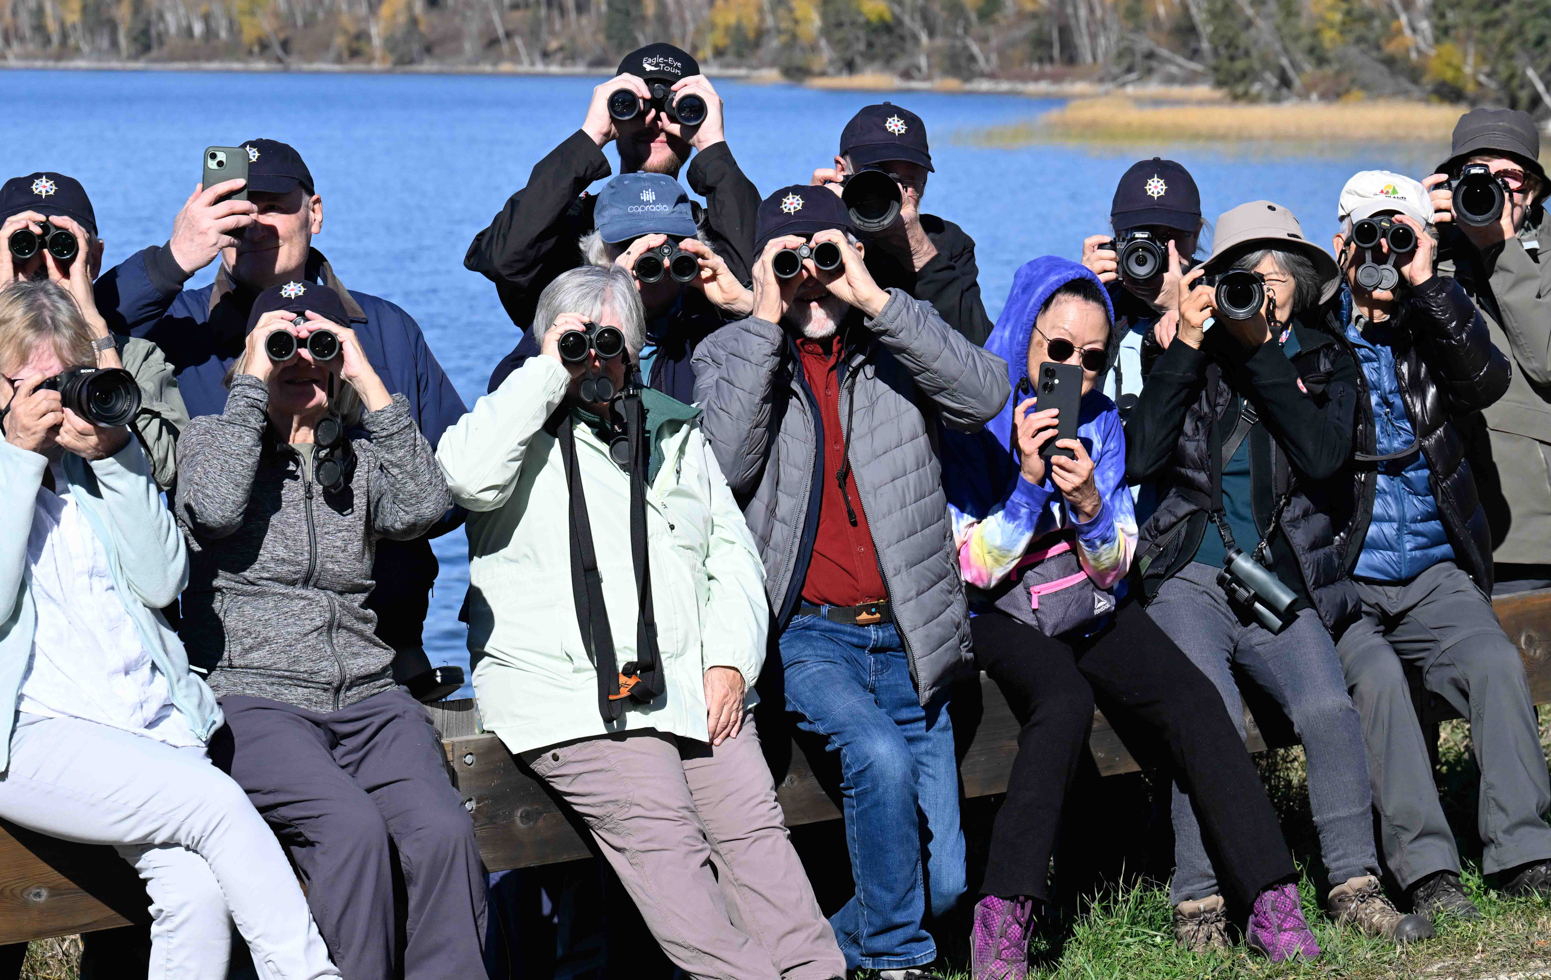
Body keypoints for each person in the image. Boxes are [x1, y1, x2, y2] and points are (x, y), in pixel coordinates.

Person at [436, 265, 844, 980]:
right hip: (574, 701)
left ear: (634, 348)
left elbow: (732, 555)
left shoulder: (670, 426)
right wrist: (545, 372)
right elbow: (462, 477)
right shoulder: (512, 426)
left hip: (692, 683)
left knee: (759, 844)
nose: (595, 357)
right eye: (576, 343)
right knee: (678, 863)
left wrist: (730, 660)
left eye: (609, 342)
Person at [0, 280, 339, 980]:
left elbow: (163, 579)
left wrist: (114, 456)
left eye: (67, 379)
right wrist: (17, 456)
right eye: (34, 381)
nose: (55, 398)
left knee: (194, 893)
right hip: (19, 735)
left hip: (138, 727)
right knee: (219, 802)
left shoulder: (94, 455)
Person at [944, 256, 1321, 974]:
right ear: (1024, 334)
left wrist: (1087, 505)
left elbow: (1115, 567)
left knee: (1196, 700)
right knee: (1061, 700)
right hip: (1003, 611)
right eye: (1057, 349)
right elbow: (976, 569)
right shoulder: (977, 424)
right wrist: (1026, 488)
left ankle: (1270, 898)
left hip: (1084, 598)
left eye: (1092, 356)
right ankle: (1003, 919)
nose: (1076, 370)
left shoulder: (1105, 423)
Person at [693, 185, 1010, 977]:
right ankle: (896, 963)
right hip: (808, 635)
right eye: (790, 263)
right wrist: (762, 321)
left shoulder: (895, 341)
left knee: (943, 886)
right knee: (879, 756)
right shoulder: (732, 354)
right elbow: (721, 466)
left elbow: (986, 394)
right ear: (766, 271)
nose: (812, 279)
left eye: (825, 258)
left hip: (907, 636)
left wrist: (873, 294)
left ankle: (801, 955)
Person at [1128, 202, 1429, 950]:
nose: (1258, 287)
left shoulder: (1327, 360)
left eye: (1272, 274)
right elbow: (1141, 456)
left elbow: (1326, 457)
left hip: (1276, 572)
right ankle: (1199, 904)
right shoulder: (1191, 351)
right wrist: (1191, 346)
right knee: (1213, 714)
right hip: (1190, 571)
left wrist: (1262, 351)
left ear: (1298, 281)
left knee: (1329, 707)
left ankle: (1354, 883)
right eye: (1242, 275)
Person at [173, 282, 487, 980]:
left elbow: (429, 506)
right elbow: (213, 508)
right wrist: (253, 387)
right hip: (255, 699)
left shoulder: (362, 462)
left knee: (442, 832)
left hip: (370, 698)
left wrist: (368, 378)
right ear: (249, 362)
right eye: (281, 348)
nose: (302, 363)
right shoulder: (207, 441)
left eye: (319, 350)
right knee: (350, 831)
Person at [94, 139, 465, 699]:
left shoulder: (382, 331)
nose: (253, 221)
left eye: (272, 205)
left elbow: (449, 490)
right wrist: (173, 259)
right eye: (235, 206)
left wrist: (355, 505)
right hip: (217, 654)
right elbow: (73, 333)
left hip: (374, 655)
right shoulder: (174, 329)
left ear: (314, 212)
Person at [1331, 171, 1551, 918]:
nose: (1383, 252)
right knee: (1383, 684)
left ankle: (1523, 851)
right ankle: (1428, 870)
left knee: (1493, 661)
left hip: (1431, 567)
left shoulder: (1438, 322)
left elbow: (1485, 380)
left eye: (1402, 235)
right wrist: (1344, 298)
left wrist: (1427, 282)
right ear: (1342, 243)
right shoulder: (1312, 332)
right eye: (1371, 235)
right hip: (1347, 575)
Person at [465, 43, 761, 385]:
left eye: (678, 110)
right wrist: (591, 135)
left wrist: (713, 145)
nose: (657, 124)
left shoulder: (704, 238)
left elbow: (757, 278)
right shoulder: (575, 230)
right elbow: (505, 260)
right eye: (635, 107)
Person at [0, 173, 186, 488]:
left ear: (96, 258)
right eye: (22, 245)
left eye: (64, 246)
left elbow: (168, 470)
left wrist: (92, 324)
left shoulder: (133, 358)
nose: (44, 264)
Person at [480, 171, 753, 400]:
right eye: (629, 244)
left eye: (668, 242)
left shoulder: (710, 330)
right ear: (598, 254)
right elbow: (504, 397)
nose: (649, 257)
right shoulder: (569, 319)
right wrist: (606, 301)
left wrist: (744, 306)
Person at [1425, 108, 1551, 594]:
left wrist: (1502, 252)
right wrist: (1416, 240)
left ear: (1534, 189)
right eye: (1476, 176)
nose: (1492, 192)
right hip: (1432, 526)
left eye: (1510, 178)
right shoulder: (1432, 250)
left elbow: (1545, 361)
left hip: (1527, 531)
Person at [811, 102, 991, 344]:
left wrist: (919, 250)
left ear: (924, 183)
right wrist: (811, 217)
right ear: (841, 171)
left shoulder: (947, 241)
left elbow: (980, 349)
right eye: (876, 179)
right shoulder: (820, 231)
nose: (892, 194)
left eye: (906, 183)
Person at [1079, 157, 1202, 428]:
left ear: (1196, 235)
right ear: (1115, 234)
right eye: (1139, 234)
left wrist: (1181, 310)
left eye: (1171, 235)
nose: (1152, 251)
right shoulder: (1099, 295)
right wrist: (1078, 295)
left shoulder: (1219, 298)